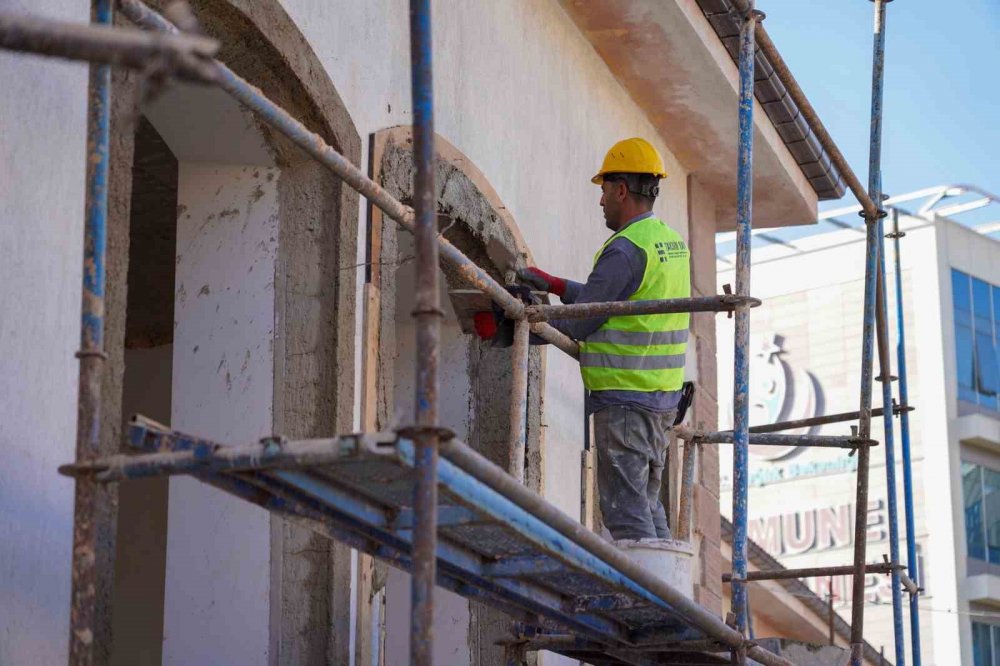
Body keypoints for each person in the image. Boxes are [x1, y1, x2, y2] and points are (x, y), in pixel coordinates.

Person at [519, 138, 691, 542]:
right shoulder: (668, 243)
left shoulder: (625, 250)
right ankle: (670, 594)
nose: (600, 201)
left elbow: (582, 323)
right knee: (648, 509)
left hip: (626, 400)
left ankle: (647, 605)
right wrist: (558, 285)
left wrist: (520, 324)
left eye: (602, 190)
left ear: (621, 190)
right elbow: (615, 303)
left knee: (627, 519)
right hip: (659, 401)